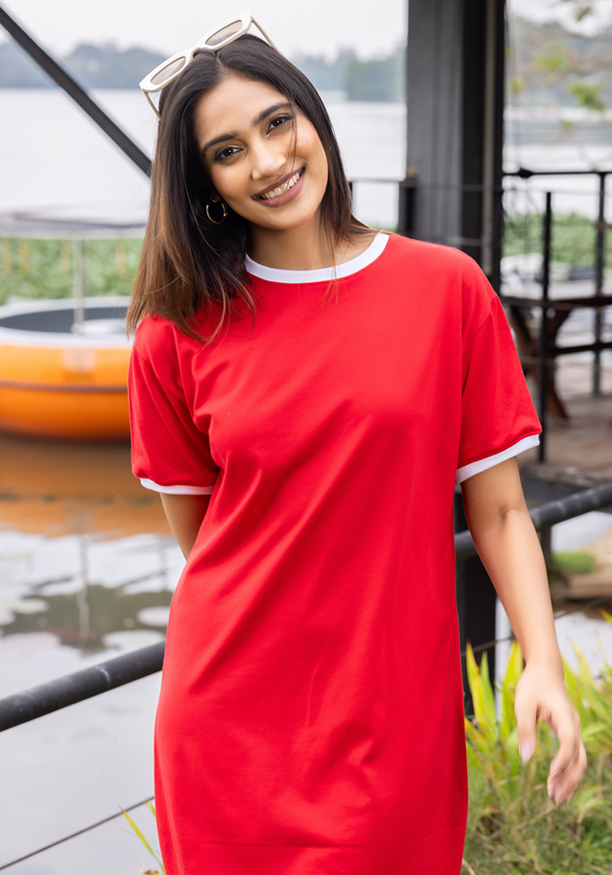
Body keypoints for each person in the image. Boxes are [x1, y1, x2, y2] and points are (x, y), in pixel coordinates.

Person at [127, 14, 586, 875]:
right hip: (228, 724)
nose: (266, 162)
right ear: (203, 182)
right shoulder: (176, 331)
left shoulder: (446, 288)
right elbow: (209, 546)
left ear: (312, 115)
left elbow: (499, 510)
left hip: (395, 716)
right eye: (227, 151)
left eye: (275, 123)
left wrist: (542, 661)